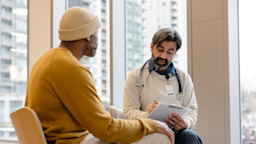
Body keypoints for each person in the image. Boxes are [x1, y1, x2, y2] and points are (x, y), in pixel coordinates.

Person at [25, 7, 175, 144]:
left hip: (61, 138)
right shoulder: (71, 68)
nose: (98, 38)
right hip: (70, 142)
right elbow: (106, 129)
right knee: (160, 136)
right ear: (87, 36)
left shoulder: (47, 59)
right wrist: (151, 124)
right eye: (96, 32)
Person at [123, 28, 203, 144]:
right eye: (160, 50)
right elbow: (128, 112)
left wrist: (185, 123)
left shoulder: (184, 78)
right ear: (151, 47)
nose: (163, 56)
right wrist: (148, 115)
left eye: (169, 52)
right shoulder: (135, 76)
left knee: (190, 137)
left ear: (175, 53)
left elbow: (192, 110)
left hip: (175, 132)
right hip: (147, 131)